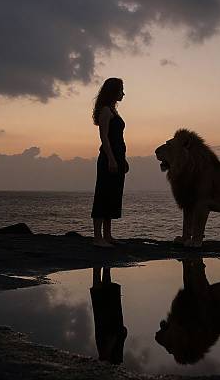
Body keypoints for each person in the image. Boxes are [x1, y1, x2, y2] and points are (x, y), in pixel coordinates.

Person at [91, 77, 128, 247]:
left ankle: (108, 235)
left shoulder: (113, 110)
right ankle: (98, 238)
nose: (123, 93)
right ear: (114, 91)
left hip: (118, 158)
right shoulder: (105, 111)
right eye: (121, 90)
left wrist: (122, 160)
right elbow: (104, 138)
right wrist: (112, 159)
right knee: (103, 195)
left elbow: (118, 138)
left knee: (113, 196)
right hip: (108, 158)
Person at [89, 267, 128, 364]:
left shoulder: (113, 359)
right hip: (111, 330)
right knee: (103, 296)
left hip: (110, 331)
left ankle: (102, 267)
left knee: (102, 297)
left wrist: (119, 335)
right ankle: (101, 267)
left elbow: (106, 352)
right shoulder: (114, 360)